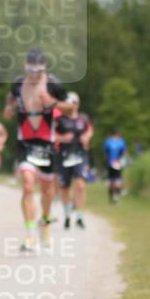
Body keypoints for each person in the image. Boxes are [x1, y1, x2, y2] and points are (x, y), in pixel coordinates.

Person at [3, 48, 72, 250]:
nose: (34, 73)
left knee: (47, 191)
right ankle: (30, 233)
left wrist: (53, 103)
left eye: (38, 69)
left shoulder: (53, 83)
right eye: (31, 68)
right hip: (25, 141)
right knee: (27, 184)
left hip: (46, 143)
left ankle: (46, 222)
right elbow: (10, 99)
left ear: (45, 68)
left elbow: (72, 108)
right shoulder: (17, 83)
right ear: (25, 66)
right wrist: (9, 108)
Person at [55, 92, 93, 228]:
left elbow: (89, 129)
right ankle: (67, 215)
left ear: (78, 104)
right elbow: (51, 134)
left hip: (80, 154)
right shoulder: (59, 120)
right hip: (64, 155)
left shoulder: (83, 118)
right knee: (64, 188)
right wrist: (62, 138)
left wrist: (87, 137)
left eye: (74, 103)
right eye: (69, 103)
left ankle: (80, 217)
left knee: (80, 185)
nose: (72, 105)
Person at [104, 127, 128, 203]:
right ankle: (118, 194)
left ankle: (111, 197)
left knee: (111, 180)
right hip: (117, 163)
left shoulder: (107, 142)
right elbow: (124, 153)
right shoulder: (121, 142)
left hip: (109, 163)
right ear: (118, 133)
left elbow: (106, 153)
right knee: (118, 179)